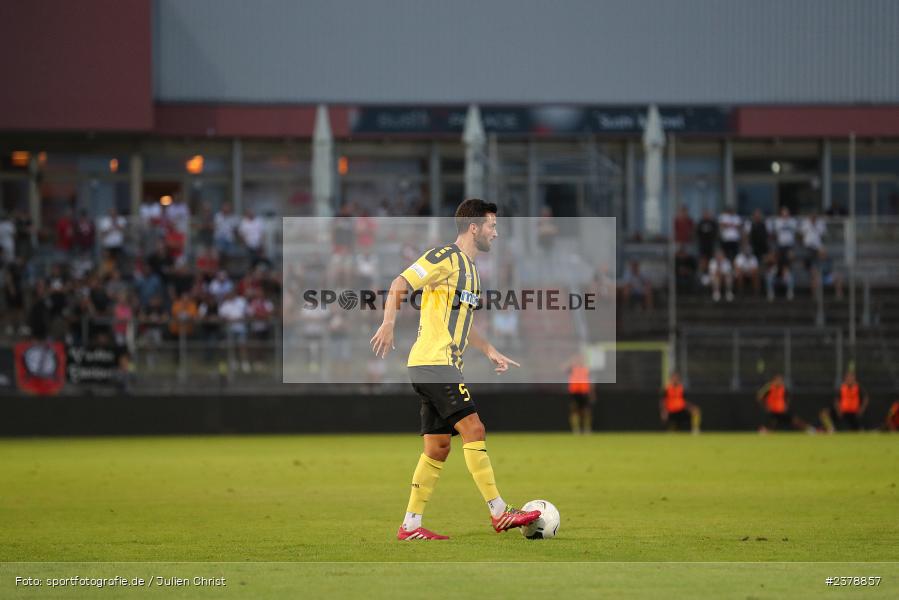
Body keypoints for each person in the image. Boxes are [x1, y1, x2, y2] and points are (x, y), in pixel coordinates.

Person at [370, 198, 540, 541]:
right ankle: (499, 511)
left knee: (437, 448)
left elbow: (463, 323)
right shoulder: (444, 257)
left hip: (433, 365)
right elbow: (399, 283)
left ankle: (410, 526)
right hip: (435, 364)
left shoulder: (472, 273)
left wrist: (489, 349)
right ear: (474, 227)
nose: (496, 232)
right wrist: (388, 322)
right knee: (474, 429)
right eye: (492, 225)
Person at [566, 353, 595, 434]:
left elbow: (590, 382)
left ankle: (587, 429)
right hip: (574, 393)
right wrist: (571, 361)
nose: (580, 360)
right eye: (578, 359)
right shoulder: (572, 368)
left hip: (584, 392)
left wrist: (592, 393)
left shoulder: (586, 369)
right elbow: (562, 368)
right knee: (574, 411)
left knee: (587, 411)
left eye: (581, 359)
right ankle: (576, 430)